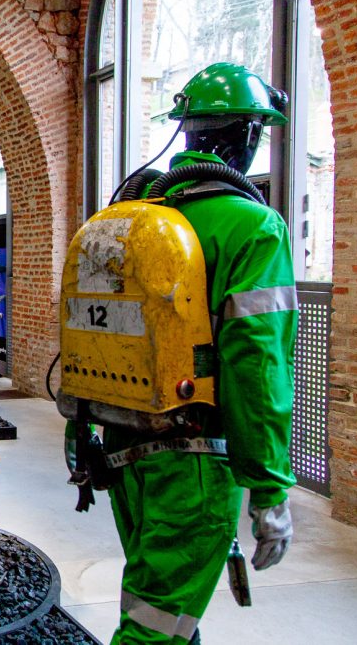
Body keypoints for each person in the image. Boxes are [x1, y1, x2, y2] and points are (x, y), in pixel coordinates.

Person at [75, 63, 297, 644]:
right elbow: (258, 364)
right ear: (248, 135)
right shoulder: (252, 227)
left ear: (189, 133)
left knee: (158, 602)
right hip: (195, 457)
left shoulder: (127, 219)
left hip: (122, 450)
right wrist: (268, 489)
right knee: (154, 628)